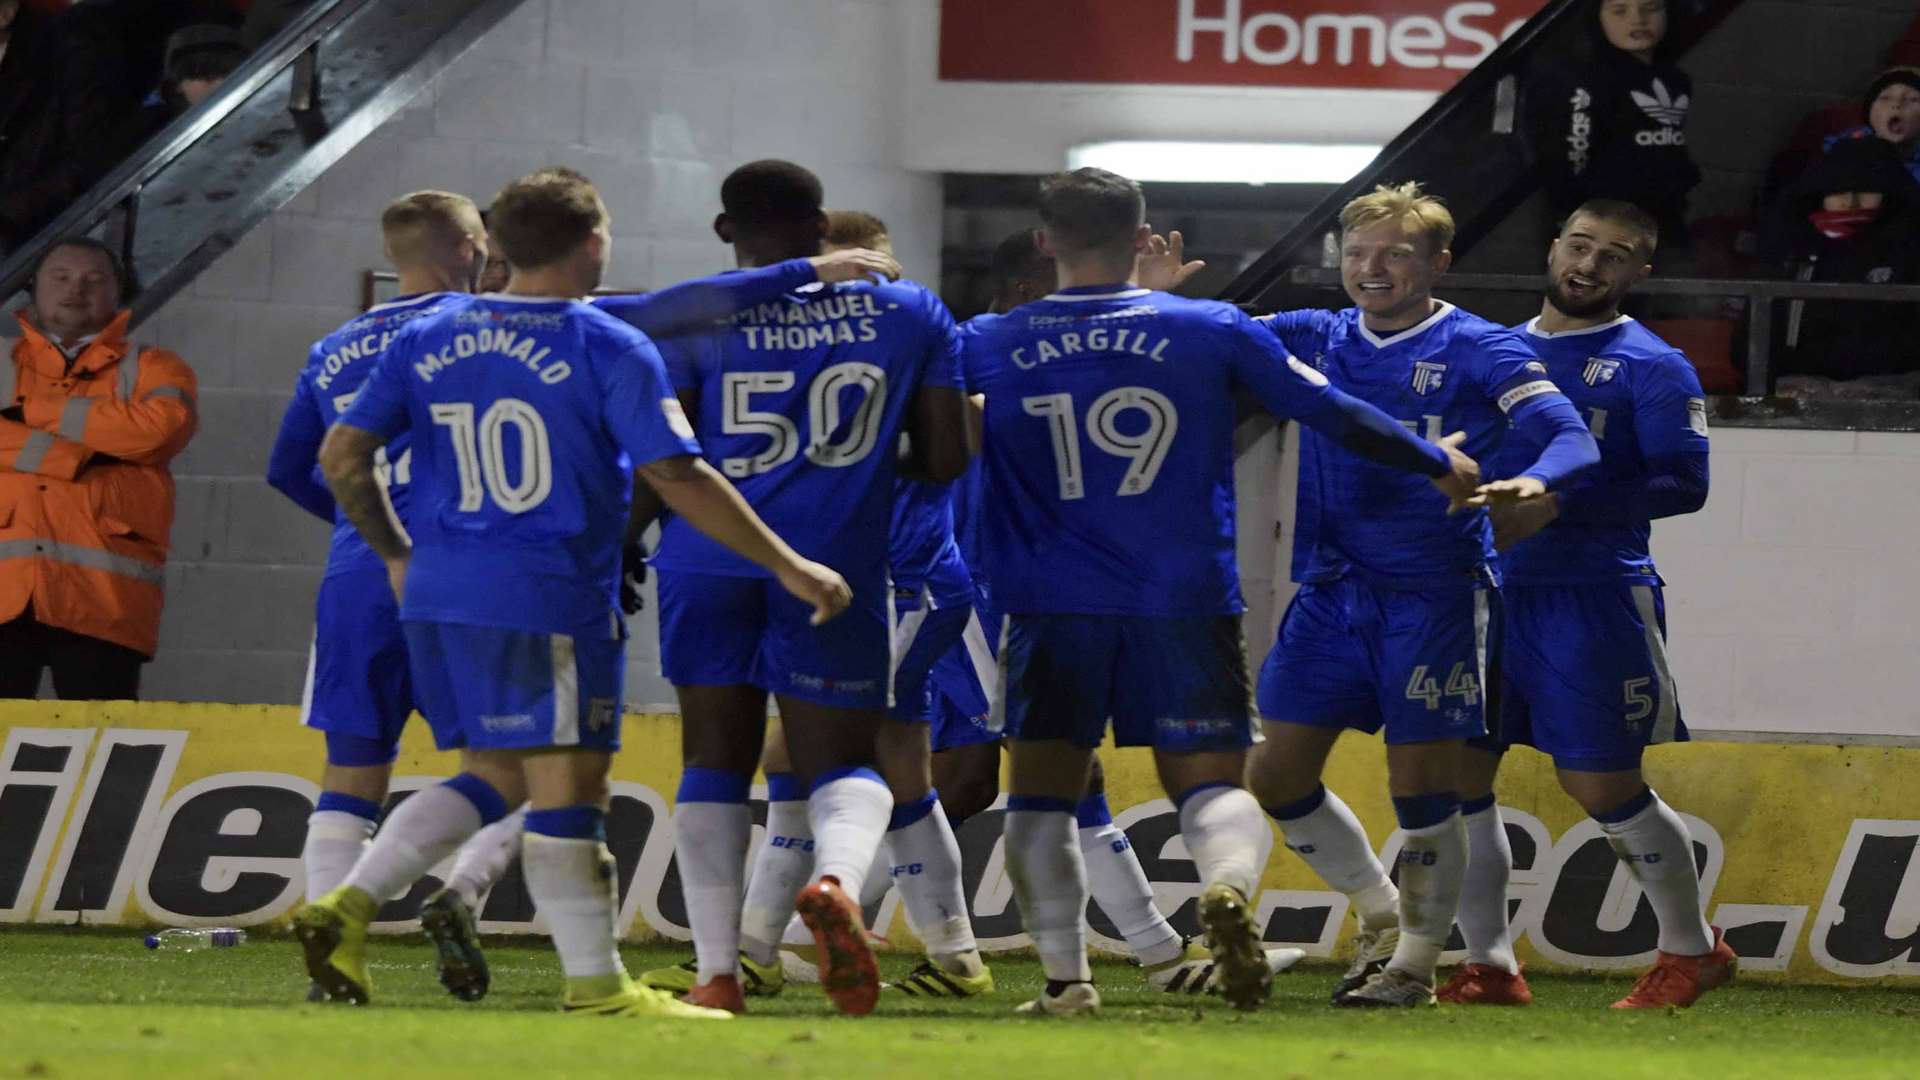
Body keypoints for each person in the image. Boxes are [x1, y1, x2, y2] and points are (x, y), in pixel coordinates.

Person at [293, 166, 850, 1022]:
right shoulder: (604, 344)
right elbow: (677, 473)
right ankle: (596, 984)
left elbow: (339, 455)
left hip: (441, 593)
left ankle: (348, 902)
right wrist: (789, 563)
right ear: (593, 242)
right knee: (571, 791)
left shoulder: (425, 337)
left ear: (501, 247)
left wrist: (394, 551)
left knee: (497, 772)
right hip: (545, 593)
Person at [968, 168, 1482, 1017]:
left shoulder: (987, 339)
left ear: (1044, 242)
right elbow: (1337, 412)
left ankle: (1066, 984)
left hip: (1050, 600)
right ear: (1142, 238)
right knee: (1214, 786)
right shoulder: (1211, 328)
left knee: (1041, 797)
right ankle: (1230, 892)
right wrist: (1438, 461)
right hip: (1185, 597)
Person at [1245, 182, 1599, 1008]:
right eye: (1358, 253)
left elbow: (1572, 436)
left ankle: (1412, 965)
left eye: (1395, 254)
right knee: (1274, 775)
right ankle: (1379, 912)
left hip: (1434, 596)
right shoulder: (1314, 334)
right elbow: (1203, 344)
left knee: (1424, 790)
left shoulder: (1482, 348)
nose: (1371, 270)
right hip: (1331, 590)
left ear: (1438, 263)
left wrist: (1531, 483)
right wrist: (1160, 293)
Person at [635, 160, 970, 1017]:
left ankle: (717, 973)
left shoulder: (693, 315)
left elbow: (663, 459)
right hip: (834, 568)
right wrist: (848, 458)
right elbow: (943, 459)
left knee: (715, 760)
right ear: (823, 229)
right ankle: (833, 883)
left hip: (705, 563)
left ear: (724, 230)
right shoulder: (909, 312)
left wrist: (622, 545)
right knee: (845, 761)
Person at [1439, 198, 1734, 1010]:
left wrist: (1563, 506)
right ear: (1552, 247)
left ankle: (1691, 948)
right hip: (1482, 593)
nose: (1589, 265)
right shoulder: (1489, 351)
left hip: (1593, 595)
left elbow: (1686, 483)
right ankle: (1490, 964)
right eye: (1579, 245)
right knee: (1459, 779)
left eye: (1614, 255)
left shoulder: (1654, 364)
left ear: (1639, 271)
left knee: (1601, 788)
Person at [266, 190, 498, 1001]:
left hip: (357, 576)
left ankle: (331, 937)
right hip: (462, 573)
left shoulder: (333, 347)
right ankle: (462, 893)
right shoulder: (479, 331)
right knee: (511, 760)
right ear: (470, 246)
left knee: (352, 764)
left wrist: (357, 528)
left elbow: (287, 467)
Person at [0, 237, 198, 699]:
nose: (76, 289)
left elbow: (157, 432)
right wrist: (76, 453)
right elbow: (130, 434)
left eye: (94, 279)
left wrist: (32, 411)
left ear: (118, 291)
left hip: (105, 601)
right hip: (4, 597)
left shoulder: (156, 366)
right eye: (61, 276)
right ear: (34, 286)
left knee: (98, 757)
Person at [1525, 0, 1699, 255]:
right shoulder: (1585, 79)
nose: (1638, 20)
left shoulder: (1675, 79)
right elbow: (1566, 156)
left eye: (1651, 8)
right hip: (1600, 224)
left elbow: (1667, 147)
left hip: (1663, 221)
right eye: (1619, 10)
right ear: (1598, 16)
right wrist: (1572, 213)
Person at [1764, 135, 1920, 396]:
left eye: (1866, 190)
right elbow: (1753, 336)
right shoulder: (1792, 250)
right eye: (1838, 190)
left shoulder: (1911, 249)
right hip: (1797, 392)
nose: (1851, 201)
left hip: (1895, 395)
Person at [1823, 67, 1920, 186]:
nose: (1897, 104)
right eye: (1885, 98)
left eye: (1913, 99)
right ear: (1869, 114)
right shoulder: (1843, 155)